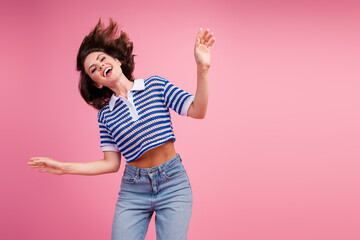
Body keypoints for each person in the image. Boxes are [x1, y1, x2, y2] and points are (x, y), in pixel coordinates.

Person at [28, 18, 215, 240]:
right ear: (96, 82)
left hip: (173, 182)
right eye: (93, 70)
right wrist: (63, 167)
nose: (100, 67)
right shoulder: (106, 116)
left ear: (117, 60)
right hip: (133, 191)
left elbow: (197, 110)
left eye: (102, 59)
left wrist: (202, 69)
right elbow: (111, 163)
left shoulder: (155, 86)